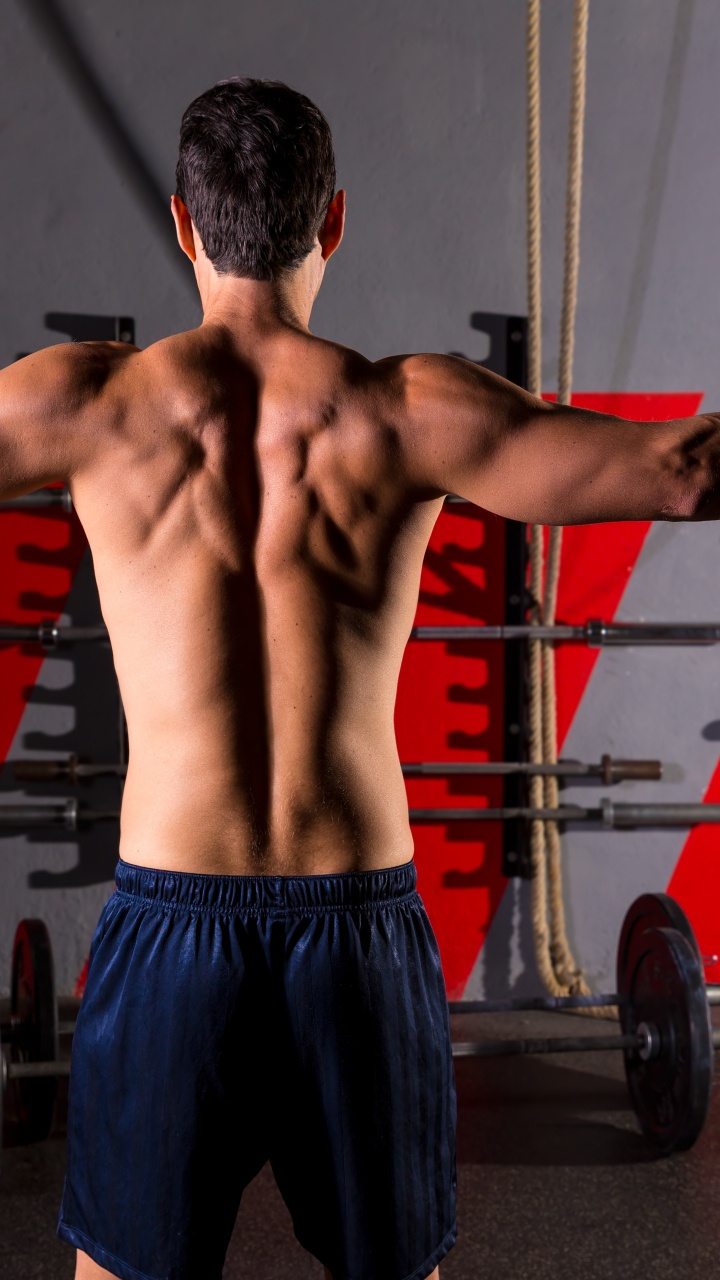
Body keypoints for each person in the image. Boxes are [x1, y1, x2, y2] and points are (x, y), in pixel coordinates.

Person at [0, 77, 718, 1280]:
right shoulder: (403, 412)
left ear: (183, 223)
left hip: (171, 918)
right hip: (354, 926)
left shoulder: (89, 405)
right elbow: (686, 473)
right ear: (333, 221)